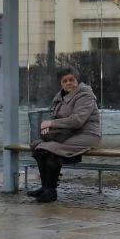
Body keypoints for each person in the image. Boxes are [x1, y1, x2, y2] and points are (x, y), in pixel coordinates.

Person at [28, 66, 101, 203]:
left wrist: (51, 124)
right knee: (38, 148)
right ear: (61, 83)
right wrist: (49, 127)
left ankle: (50, 192)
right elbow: (54, 117)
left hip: (87, 135)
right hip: (66, 134)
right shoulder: (60, 97)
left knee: (50, 149)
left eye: (71, 80)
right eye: (64, 81)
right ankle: (46, 188)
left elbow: (78, 120)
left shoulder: (85, 95)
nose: (68, 83)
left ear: (77, 81)